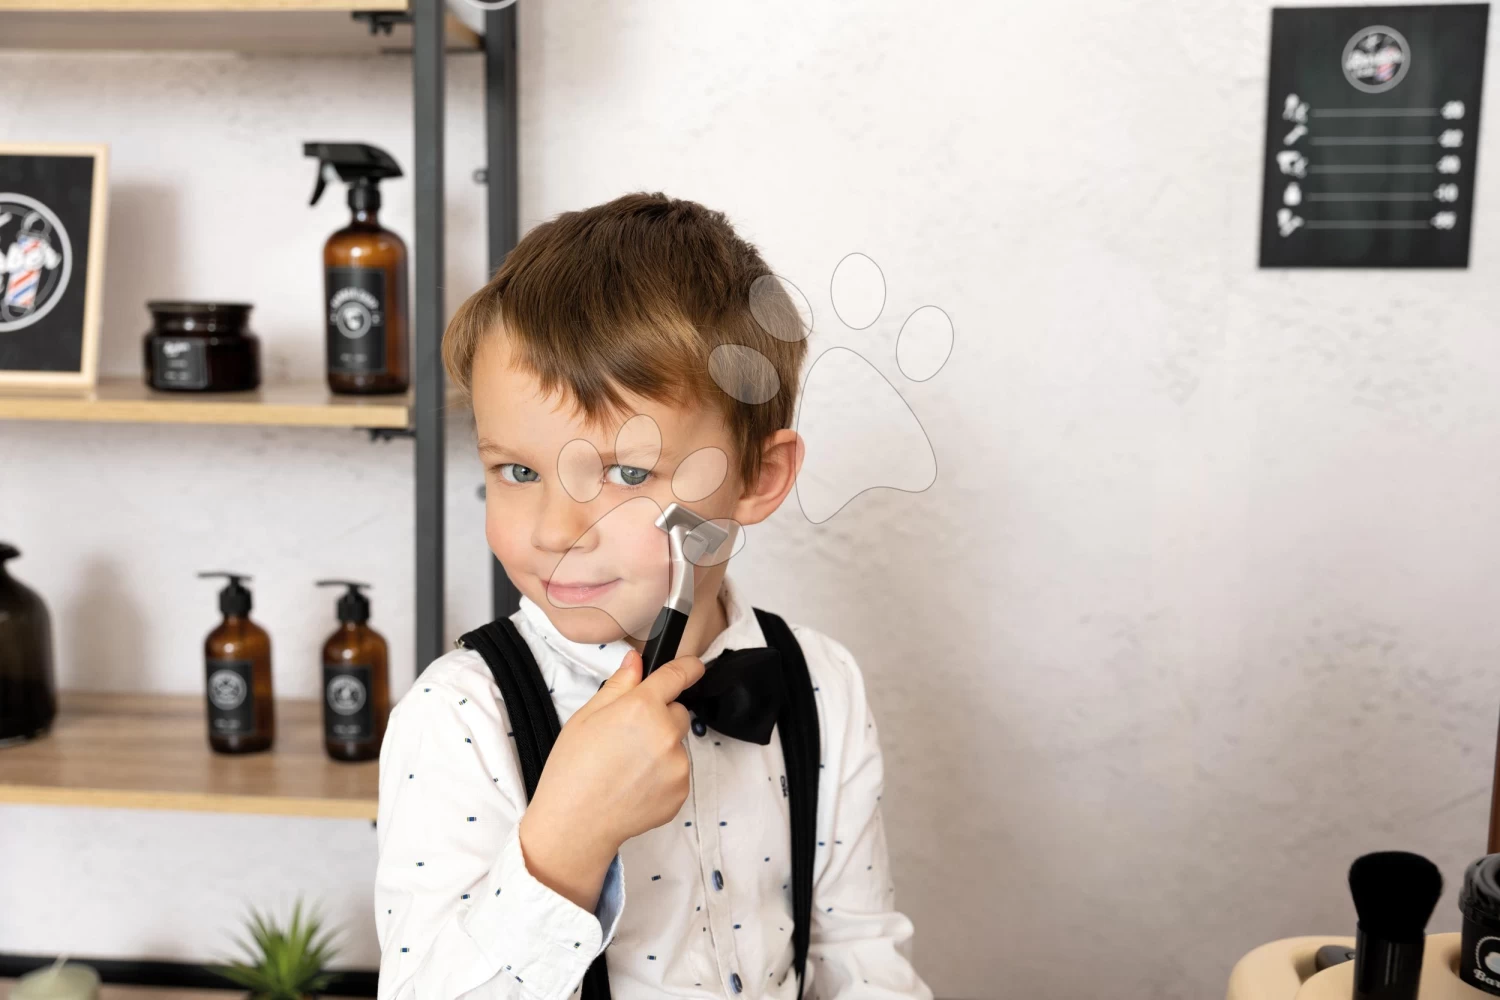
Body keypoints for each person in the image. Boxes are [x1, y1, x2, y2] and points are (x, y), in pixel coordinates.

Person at [373, 192, 932, 1000]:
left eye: (627, 473)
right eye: (518, 471)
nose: (556, 529)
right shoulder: (458, 719)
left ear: (758, 476)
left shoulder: (822, 683)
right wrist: (567, 839)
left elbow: (860, 957)